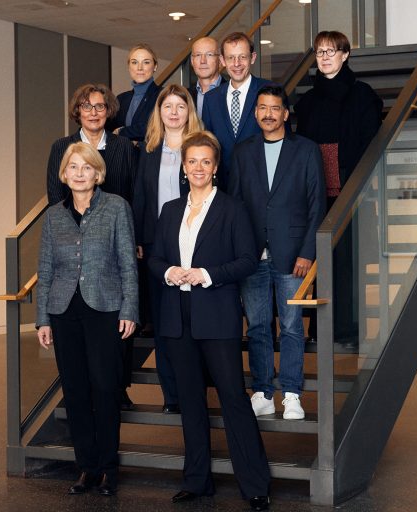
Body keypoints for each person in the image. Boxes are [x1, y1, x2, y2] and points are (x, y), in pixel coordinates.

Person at [148, 131, 271, 511]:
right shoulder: (170, 210)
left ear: (215, 167)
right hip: (177, 319)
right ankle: (196, 480)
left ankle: (254, 484)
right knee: (190, 401)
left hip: (217, 318)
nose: (198, 168)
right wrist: (170, 271)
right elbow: (153, 258)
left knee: (233, 398)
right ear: (183, 168)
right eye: (192, 161)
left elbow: (248, 260)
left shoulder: (232, 209)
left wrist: (206, 274)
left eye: (205, 161)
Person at [35, 142, 138, 497]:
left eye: (86, 168)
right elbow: (45, 269)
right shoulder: (53, 216)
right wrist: (42, 318)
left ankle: (108, 468)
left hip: (105, 308)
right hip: (64, 312)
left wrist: (130, 309)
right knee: (76, 392)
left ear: (98, 173)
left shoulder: (116, 208)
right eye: (73, 168)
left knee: (106, 388)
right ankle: (87, 468)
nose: (79, 174)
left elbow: (128, 263)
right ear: (63, 175)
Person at [229, 84, 326, 419]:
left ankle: (292, 394)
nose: (267, 114)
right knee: (256, 325)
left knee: (291, 326)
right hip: (252, 257)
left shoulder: (306, 150)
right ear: (255, 113)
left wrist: (307, 252)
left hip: (292, 256)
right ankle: (262, 391)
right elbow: (236, 207)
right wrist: (240, 253)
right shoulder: (242, 152)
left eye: (274, 108)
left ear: (286, 113)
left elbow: (317, 206)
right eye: (261, 108)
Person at [45, 83, 139, 409]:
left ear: (108, 111)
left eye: (100, 107)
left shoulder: (124, 147)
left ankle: (118, 387)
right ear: (78, 112)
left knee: (115, 318)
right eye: (87, 107)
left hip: (115, 239)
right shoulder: (62, 147)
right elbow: (56, 197)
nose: (94, 113)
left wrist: (132, 238)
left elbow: (132, 192)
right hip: (75, 244)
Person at [294, 31, 383, 347]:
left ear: (346, 54)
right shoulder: (306, 101)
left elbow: (369, 143)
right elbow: (301, 147)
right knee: (319, 261)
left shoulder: (363, 95)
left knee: (348, 263)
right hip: (316, 192)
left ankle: (349, 330)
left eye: (332, 50)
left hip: (351, 189)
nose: (325, 56)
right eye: (319, 52)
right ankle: (320, 329)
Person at [132, 84, 203, 414]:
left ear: (189, 111)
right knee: (164, 325)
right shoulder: (149, 150)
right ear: (158, 113)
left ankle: (195, 389)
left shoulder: (201, 148)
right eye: (167, 107)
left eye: (180, 106)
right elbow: (141, 200)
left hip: (194, 243)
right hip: (157, 248)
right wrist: (141, 241)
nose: (173, 112)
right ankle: (171, 395)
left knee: (193, 322)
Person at [201, 32, 270, 189]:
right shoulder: (211, 99)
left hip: (261, 185)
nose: (236, 63)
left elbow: (282, 141)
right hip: (223, 187)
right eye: (231, 58)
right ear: (222, 61)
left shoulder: (270, 91)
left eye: (242, 57)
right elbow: (208, 144)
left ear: (252, 58)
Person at [107, 43, 162, 142]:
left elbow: (155, 127)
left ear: (155, 66)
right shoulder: (121, 99)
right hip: (123, 155)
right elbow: (108, 128)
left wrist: (121, 131)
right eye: (134, 62)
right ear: (129, 67)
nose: (139, 68)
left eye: (146, 62)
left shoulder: (163, 94)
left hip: (150, 155)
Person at [187, 36, 224, 118]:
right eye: (198, 55)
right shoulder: (185, 96)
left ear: (220, 60)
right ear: (192, 61)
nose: (203, 61)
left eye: (209, 54)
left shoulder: (232, 92)